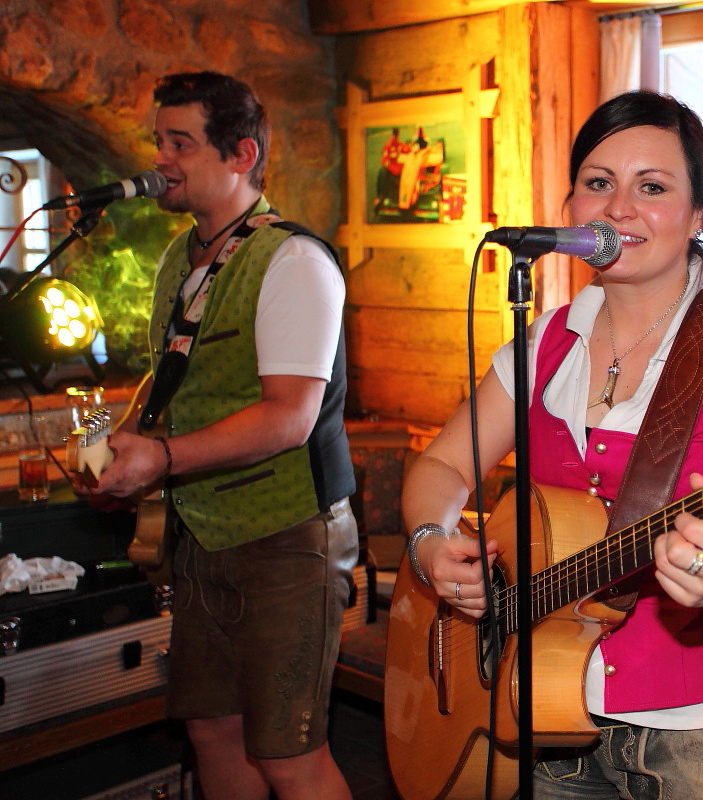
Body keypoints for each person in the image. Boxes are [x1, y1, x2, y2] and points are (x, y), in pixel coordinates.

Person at [401, 90, 703, 799]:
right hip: (546, 716)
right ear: (571, 205)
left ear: (699, 215)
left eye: (652, 187)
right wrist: (429, 543)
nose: (620, 208)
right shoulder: (544, 342)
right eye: (599, 183)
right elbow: (443, 463)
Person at [83, 72, 358, 800]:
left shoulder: (294, 260)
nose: (160, 160)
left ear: (241, 155)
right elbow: (171, 380)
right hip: (202, 536)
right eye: (159, 141)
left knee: (290, 756)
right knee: (212, 733)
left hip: (288, 542)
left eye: (181, 143)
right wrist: (121, 450)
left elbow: (288, 417)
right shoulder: (180, 259)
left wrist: (163, 459)